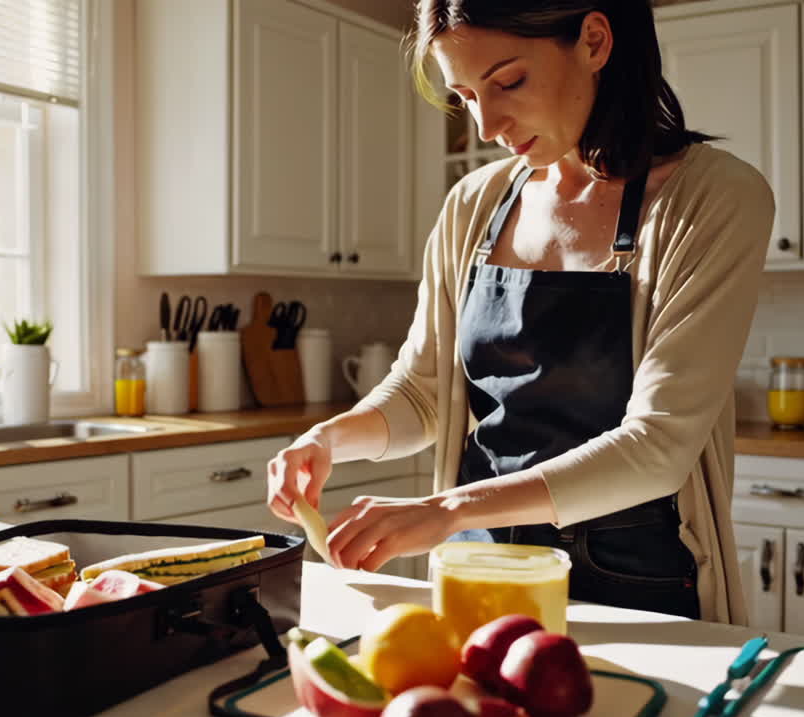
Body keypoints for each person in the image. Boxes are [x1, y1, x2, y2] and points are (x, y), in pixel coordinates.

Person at [266, 0, 774, 624]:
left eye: (508, 82)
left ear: (594, 40)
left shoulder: (714, 197)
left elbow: (658, 445)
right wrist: (329, 439)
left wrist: (449, 508)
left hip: (634, 575)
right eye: (466, 96)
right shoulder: (472, 204)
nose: (487, 125)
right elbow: (424, 393)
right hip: (478, 565)